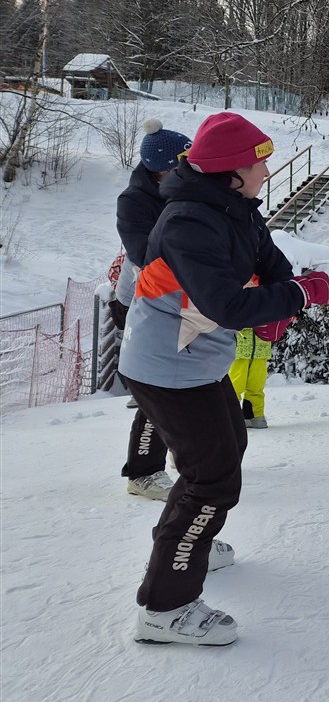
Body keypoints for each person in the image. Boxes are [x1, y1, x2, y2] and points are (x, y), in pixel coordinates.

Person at [119, 111, 329, 645]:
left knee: (227, 447)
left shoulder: (235, 208)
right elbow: (227, 304)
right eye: (259, 164)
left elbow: (269, 261)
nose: (267, 171)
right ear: (231, 172)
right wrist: (296, 296)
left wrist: (287, 293)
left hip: (198, 358)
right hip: (166, 364)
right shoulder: (188, 222)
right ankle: (165, 608)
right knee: (211, 478)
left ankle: (184, 543)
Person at [114, 118, 192, 500]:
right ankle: (143, 472)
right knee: (158, 388)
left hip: (180, 299)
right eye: (184, 162)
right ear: (163, 167)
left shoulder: (182, 189)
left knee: (190, 381)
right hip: (142, 303)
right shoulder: (134, 201)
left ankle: (185, 450)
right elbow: (146, 255)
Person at [229, 327, 274, 426]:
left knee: (256, 385)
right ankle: (234, 416)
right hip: (242, 347)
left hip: (259, 347)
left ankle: (254, 415)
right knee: (236, 386)